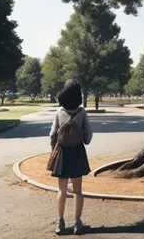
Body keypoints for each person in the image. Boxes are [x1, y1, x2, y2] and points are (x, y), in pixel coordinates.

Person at [50, 79, 93, 236]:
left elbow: (53, 135)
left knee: (62, 190)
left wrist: (53, 151)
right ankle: (77, 223)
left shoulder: (59, 113)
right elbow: (87, 137)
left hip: (62, 154)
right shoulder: (82, 113)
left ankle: (60, 222)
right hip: (77, 153)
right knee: (77, 191)